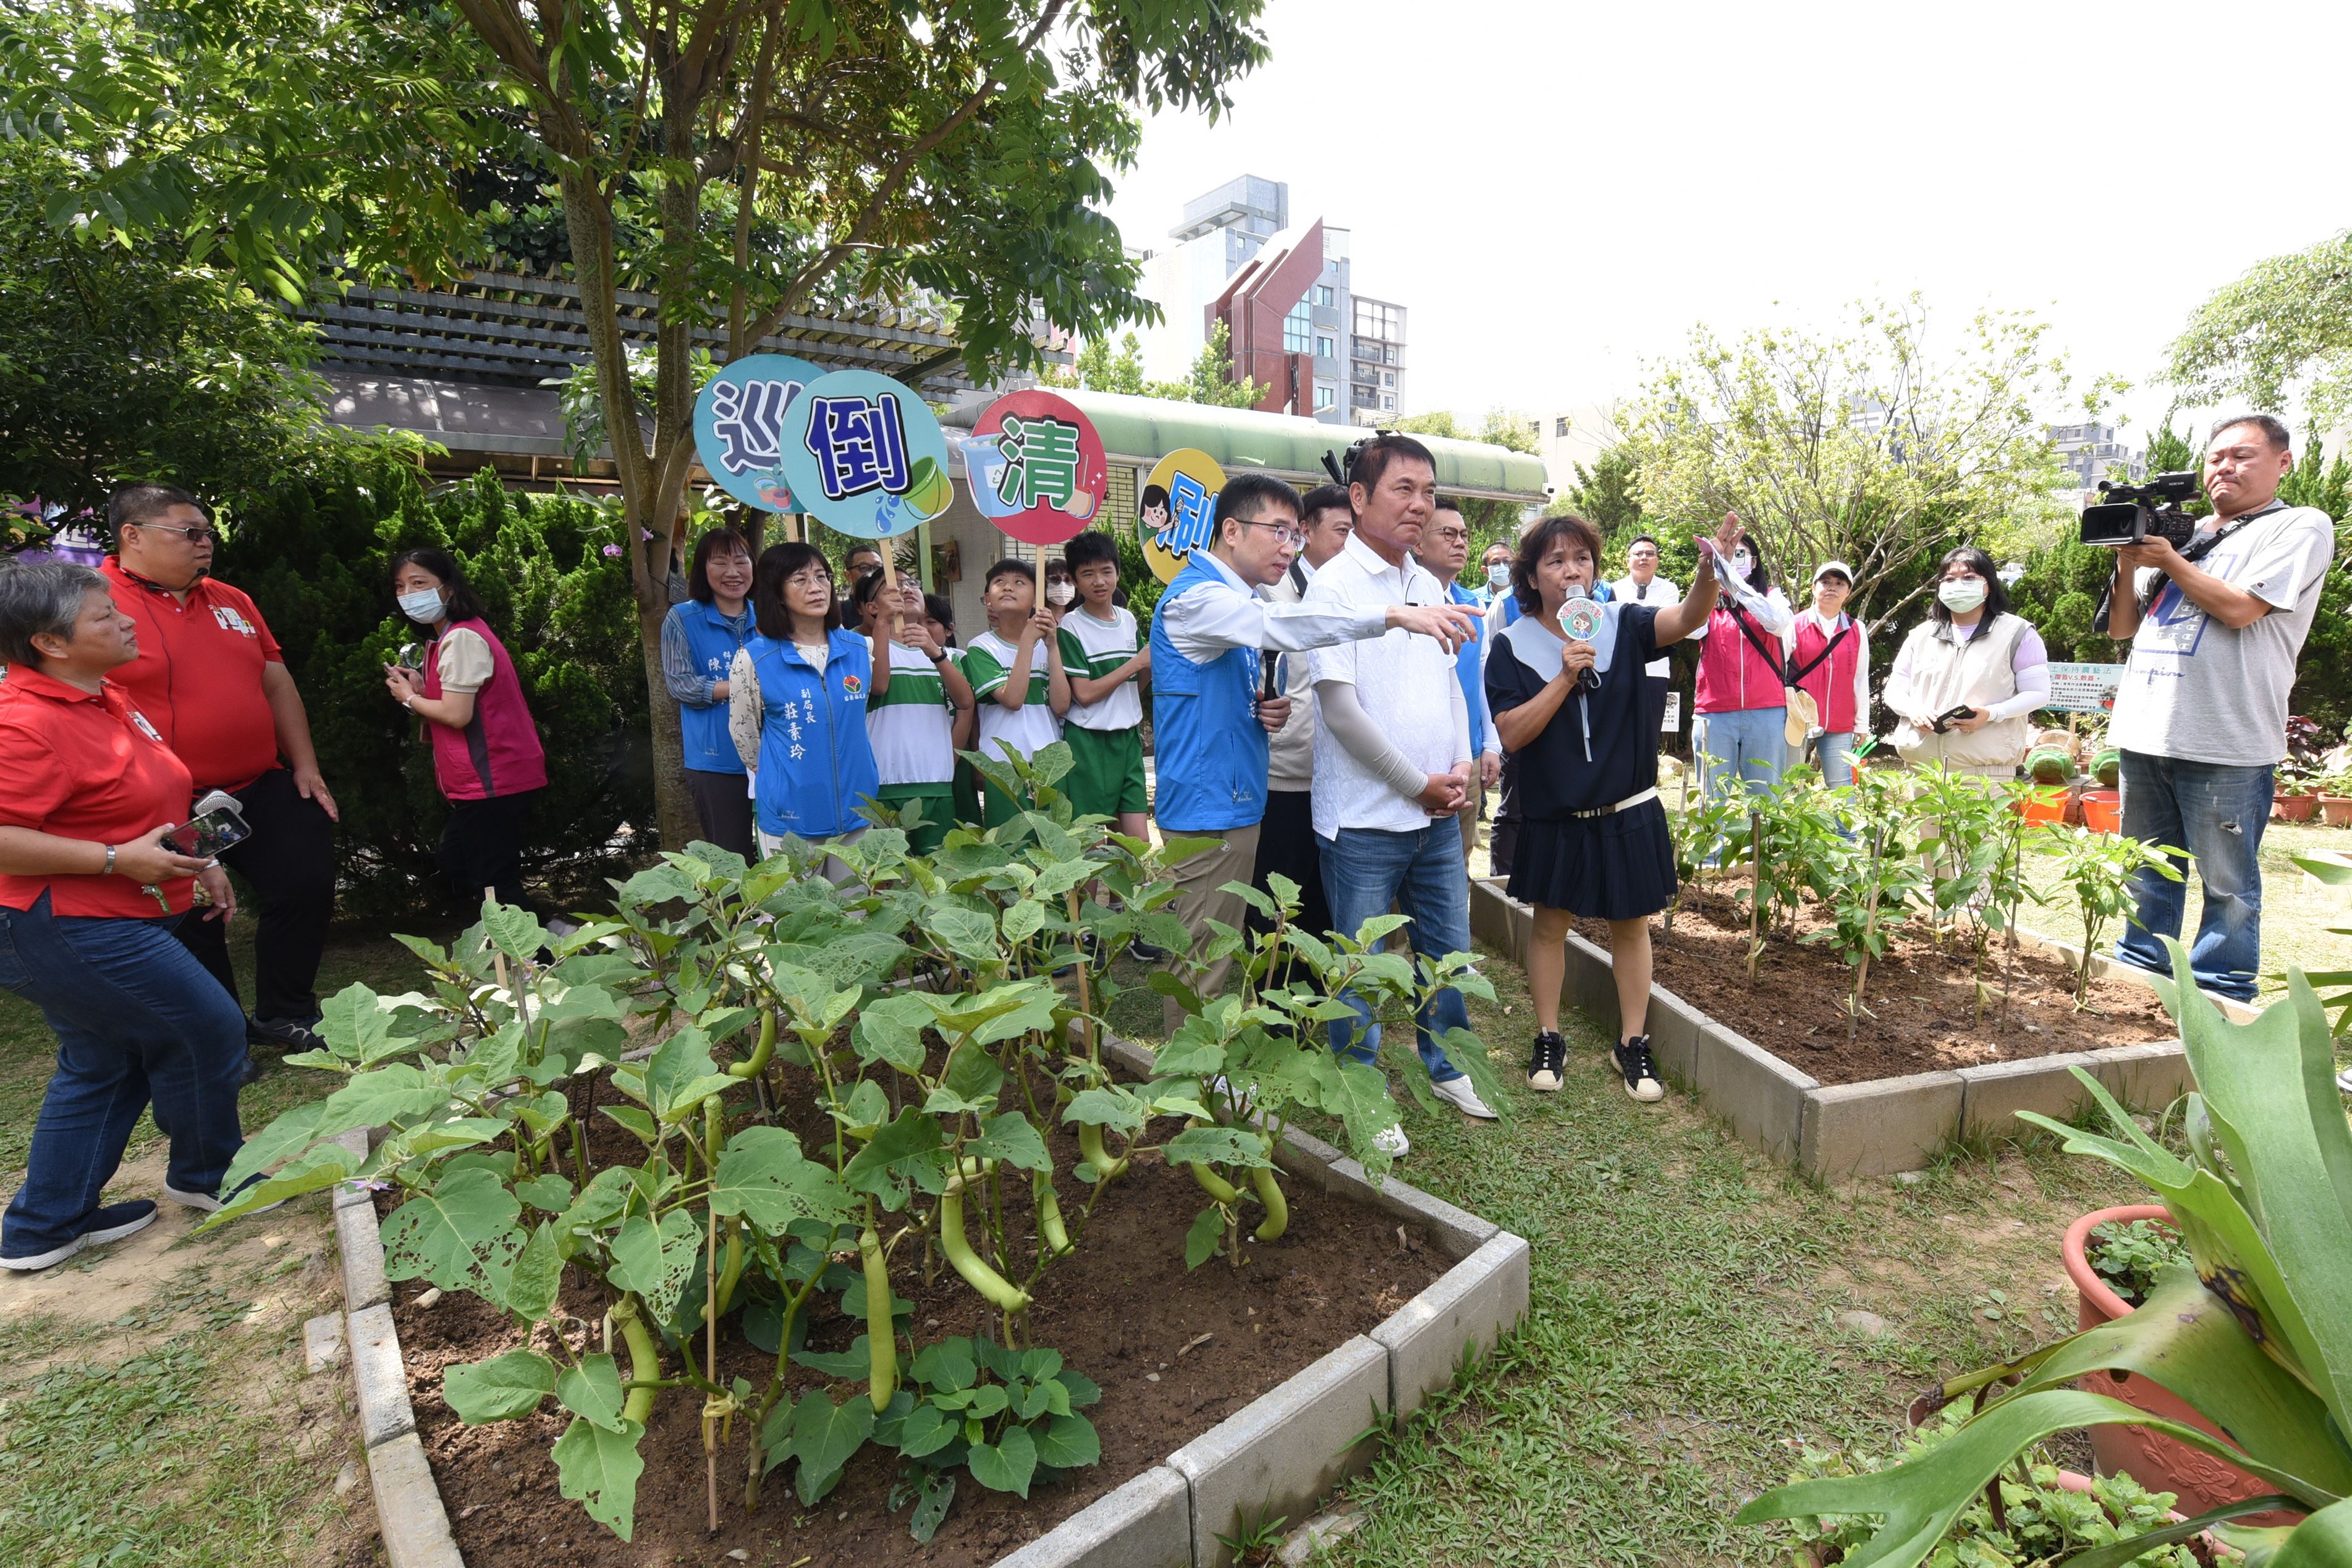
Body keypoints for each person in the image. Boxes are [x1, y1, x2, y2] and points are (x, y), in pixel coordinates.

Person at [1151, 469, 1479, 1057]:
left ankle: (1206, 1080)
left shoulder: (1230, 599)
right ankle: (1187, 1091)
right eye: (1277, 531)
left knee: (1220, 954)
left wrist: (1257, 709)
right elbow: (1284, 626)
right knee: (1202, 963)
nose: (1288, 546)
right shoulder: (1199, 598)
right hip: (1206, 811)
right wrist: (1392, 616)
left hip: (1232, 803)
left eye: (1293, 535)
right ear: (1230, 530)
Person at [0, 562, 248, 1270]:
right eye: (104, 617)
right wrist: (114, 860)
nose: (127, 620)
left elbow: (145, 796)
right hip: (60, 924)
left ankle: (45, 1225)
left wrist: (203, 858)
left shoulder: (102, 693)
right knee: (205, 1025)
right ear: (50, 643)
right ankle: (209, 1174)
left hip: (105, 915)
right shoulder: (23, 724)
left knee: (105, 1059)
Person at [1489, 514, 1736, 1105]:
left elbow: (1689, 618)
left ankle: (1632, 1041)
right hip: (1557, 814)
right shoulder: (1512, 644)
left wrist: (1709, 572)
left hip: (1627, 807)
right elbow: (1513, 734)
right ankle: (1548, 1036)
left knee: (1632, 925)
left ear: (1596, 569)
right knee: (1550, 925)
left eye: (1581, 558)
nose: (1571, 570)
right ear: (1531, 575)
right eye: (1554, 561)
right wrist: (1563, 676)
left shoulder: (1623, 623)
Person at [1304, 433, 1501, 1138]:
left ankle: (1446, 1069)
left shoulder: (1427, 585)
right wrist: (1415, 783)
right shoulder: (1331, 589)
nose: (1421, 506)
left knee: (1445, 955)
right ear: (1357, 499)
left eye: (1429, 490)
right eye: (1403, 490)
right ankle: (1364, 1095)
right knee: (1360, 971)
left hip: (1434, 814)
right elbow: (1340, 711)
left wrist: (1452, 765)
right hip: (1362, 821)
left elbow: (1450, 687)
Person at [99, 484, 339, 1057]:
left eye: (208, 533)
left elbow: (275, 681)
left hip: (257, 784)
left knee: (304, 882)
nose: (206, 544)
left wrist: (305, 765)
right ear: (133, 535)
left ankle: (287, 1012)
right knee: (199, 912)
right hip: (172, 799)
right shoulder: (93, 601)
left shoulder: (232, 598)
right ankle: (221, 1035)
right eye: (190, 533)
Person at [2104, 414, 2337, 1000]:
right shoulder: (2188, 531)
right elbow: (2121, 630)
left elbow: (2240, 610)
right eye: (2215, 458)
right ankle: (2137, 986)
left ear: (2284, 463)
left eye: (2241, 456)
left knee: (2228, 885)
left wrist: (2172, 562)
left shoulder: (2299, 527)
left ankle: (2221, 998)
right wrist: (2128, 562)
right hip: (2146, 734)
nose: (2223, 468)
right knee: (2146, 871)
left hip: (2225, 741)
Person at [382, 549, 554, 918]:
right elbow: (459, 705)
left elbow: (457, 716)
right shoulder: (458, 634)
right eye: (400, 587)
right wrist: (424, 693)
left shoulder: (460, 638)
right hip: (488, 777)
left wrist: (411, 699)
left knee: (492, 880)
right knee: (461, 863)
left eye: (419, 583)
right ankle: (548, 936)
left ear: (448, 587)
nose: (409, 594)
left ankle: (538, 956)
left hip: (492, 777)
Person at [726, 543, 880, 858]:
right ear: (776, 591)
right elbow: (745, 737)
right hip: (790, 824)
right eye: (800, 580)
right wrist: (783, 780)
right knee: (792, 908)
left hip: (857, 813)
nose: (816, 588)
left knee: (858, 907)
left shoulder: (860, 648)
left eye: (822, 577)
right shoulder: (753, 658)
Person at [1254, 483, 1352, 937]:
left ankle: (1316, 997)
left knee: (1325, 906)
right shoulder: (1271, 595)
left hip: (1340, 775)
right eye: (1342, 531)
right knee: (1279, 903)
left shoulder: (1354, 594)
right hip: (1286, 776)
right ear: (1307, 532)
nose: (1350, 543)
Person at [1883, 546, 2048, 777]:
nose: (1958, 584)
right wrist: (1913, 709)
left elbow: (2038, 693)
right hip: (1921, 770)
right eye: (1949, 579)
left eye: (1969, 578)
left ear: (1989, 585)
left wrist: (1992, 713)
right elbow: (1895, 689)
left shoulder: (2018, 633)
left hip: (1985, 772)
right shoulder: (1921, 635)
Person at [855, 570, 973, 855]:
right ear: (872, 607)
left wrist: (935, 652)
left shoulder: (947, 656)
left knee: (938, 878)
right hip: (883, 784)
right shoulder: (862, 647)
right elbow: (879, 686)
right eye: (891, 587)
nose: (905, 589)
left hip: (936, 781)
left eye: (911, 583)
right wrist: (883, 623)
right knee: (886, 879)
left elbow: (965, 703)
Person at [659, 525, 759, 859]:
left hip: (775, 758)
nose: (733, 572)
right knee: (733, 863)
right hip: (717, 764)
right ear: (702, 569)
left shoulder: (769, 617)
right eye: (720, 563)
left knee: (783, 861)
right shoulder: (683, 618)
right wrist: (745, 687)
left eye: (741, 561)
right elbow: (682, 685)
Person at [957, 558, 1070, 827]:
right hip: (1003, 767)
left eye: (1019, 582)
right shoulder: (981, 648)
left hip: (1049, 764)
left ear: (1036, 599)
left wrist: (1052, 646)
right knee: (1012, 853)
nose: (1008, 588)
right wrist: (1029, 641)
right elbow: (1013, 699)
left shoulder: (1053, 643)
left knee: (1052, 849)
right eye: (1000, 583)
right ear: (988, 600)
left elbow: (1062, 705)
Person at [1055, 531, 1151, 840]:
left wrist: (1147, 666)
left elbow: (1139, 680)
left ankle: (1127, 892)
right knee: (1091, 844)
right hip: (1088, 743)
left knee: (1137, 845)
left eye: (1106, 571)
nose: (1099, 581)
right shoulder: (1070, 626)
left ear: (1118, 572)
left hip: (1129, 739)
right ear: (1074, 580)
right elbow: (1083, 695)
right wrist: (1135, 664)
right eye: (1088, 574)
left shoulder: (1127, 619)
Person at [1686, 525, 1793, 798]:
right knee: (1712, 803)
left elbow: (1779, 624)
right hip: (1715, 713)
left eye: (1740, 554)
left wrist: (1737, 585)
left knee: (1766, 802)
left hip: (1766, 712)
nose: (1734, 561)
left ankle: (1762, 844)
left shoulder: (1772, 598)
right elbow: (1690, 628)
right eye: (1728, 556)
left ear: (1754, 562)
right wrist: (1710, 578)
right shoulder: (1706, 603)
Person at [1423, 502, 1503, 866]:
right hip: (1418, 758)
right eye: (1448, 534)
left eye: (1464, 535)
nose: (1460, 542)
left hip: (1466, 757)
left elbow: (1483, 677)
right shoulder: (1402, 605)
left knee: (1459, 863)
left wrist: (1490, 744)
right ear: (1418, 544)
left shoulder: (1472, 605)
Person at [1789, 561, 1871, 788]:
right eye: (1825, 582)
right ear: (1814, 588)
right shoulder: (1793, 625)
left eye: (1839, 583)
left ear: (1848, 591)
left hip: (1840, 721)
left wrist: (1862, 723)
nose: (1832, 588)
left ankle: (1844, 827)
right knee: (1787, 784)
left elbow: (1860, 677)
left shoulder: (1857, 629)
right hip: (1798, 719)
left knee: (1842, 788)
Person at [926, 591, 986, 828]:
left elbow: (971, 712)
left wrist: (975, 762)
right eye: (916, 622)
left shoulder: (961, 659)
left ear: (949, 629)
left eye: (931, 622)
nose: (923, 628)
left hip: (958, 757)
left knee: (963, 825)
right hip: (925, 762)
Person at [1607, 535, 1680, 701]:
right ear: (1627, 561)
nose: (1644, 558)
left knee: (1652, 727)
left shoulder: (1669, 589)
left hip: (1656, 671)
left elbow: (1663, 626)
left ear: (1657, 560)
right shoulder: (1614, 589)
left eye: (1650, 554)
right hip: (1619, 670)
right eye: (1638, 554)